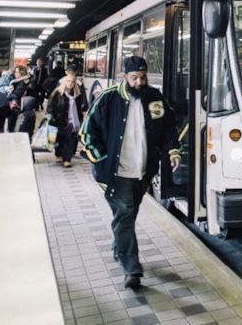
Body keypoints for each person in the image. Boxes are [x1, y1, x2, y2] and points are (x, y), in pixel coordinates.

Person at [78, 56, 182, 291]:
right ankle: (131, 268)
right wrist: (101, 161)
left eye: (143, 78)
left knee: (128, 215)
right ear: (124, 77)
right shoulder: (108, 98)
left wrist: (173, 151)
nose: (139, 82)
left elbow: (169, 127)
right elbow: (87, 133)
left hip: (143, 172)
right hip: (116, 174)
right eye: (134, 78)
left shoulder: (155, 98)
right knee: (124, 213)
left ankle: (119, 246)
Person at [47, 72, 88, 167]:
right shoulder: (57, 93)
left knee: (69, 140)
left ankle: (67, 159)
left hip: (72, 121)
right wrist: (49, 115)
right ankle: (58, 154)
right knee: (59, 139)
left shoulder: (77, 94)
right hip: (59, 120)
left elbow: (80, 107)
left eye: (72, 82)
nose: (70, 83)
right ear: (65, 82)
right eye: (68, 81)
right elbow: (50, 106)